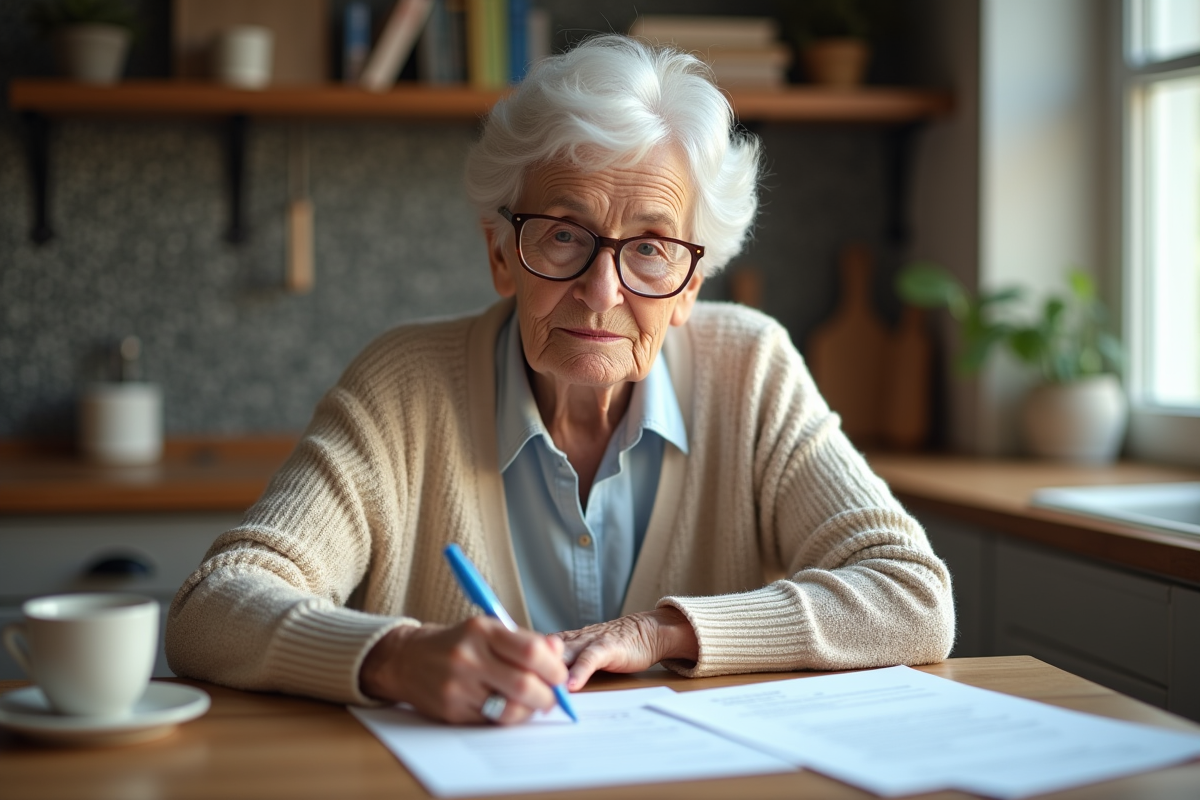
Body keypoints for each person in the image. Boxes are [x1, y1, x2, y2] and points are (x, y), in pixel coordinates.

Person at [166, 34, 954, 726]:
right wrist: (396, 658)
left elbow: (913, 596)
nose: (602, 292)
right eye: (565, 234)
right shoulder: (402, 387)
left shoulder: (752, 371)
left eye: (650, 248)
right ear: (501, 254)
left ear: (691, 286)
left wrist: (661, 631)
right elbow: (212, 609)